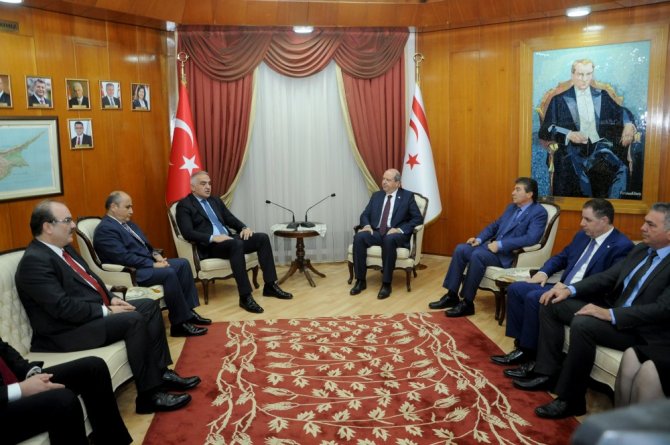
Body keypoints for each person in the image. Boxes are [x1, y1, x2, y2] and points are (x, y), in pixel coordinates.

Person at [16, 200, 200, 414]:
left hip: (86, 316)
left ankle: (161, 374)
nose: (73, 225)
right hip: (65, 332)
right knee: (132, 320)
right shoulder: (35, 262)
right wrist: (106, 310)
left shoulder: (64, 249)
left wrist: (111, 298)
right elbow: (62, 308)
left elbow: (92, 279)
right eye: (67, 220)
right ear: (48, 227)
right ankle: (149, 397)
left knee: (148, 306)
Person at [513, 203, 670, 420]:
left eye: (650, 225)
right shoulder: (642, 250)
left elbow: (663, 309)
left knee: (583, 323)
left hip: (644, 332)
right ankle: (547, 373)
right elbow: (608, 277)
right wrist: (569, 290)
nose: (642, 228)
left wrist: (611, 314)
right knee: (552, 302)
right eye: (644, 222)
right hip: (617, 316)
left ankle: (571, 400)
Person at [491, 199, 633, 377]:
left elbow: (607, 282)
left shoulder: (622, 246)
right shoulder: (582, 236)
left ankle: (532, 356)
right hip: (562, 287)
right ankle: (521, 347)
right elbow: (561, 257)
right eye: (582, 218)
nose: (581, 223)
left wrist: (570, 288)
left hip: (586, 296)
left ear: (604, 220)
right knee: (517, 289)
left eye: (587, 219)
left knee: (535, 298)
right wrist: (543, 272)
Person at [94, 191, 209, 337]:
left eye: (131, 206)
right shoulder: (106, 229)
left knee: (183, 264)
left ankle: (188, 313)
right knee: (168, 273)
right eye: (128, 207)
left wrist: (156, 255)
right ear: (113, 207)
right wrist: (152, 264)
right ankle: (179, 325)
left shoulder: (128, 224)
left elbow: (145, 246)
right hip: (132, 271)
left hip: (145, 264)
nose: (132, 211)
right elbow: (123, 257)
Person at [428, 177, 548, 317]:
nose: (513, 193)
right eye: (514, 189)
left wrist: (501, 245)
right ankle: (452, 295)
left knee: (477, 255)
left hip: (507, 256)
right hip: (491, 248)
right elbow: (495, 226)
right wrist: (479, 239)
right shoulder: (511, 208)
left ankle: (467, 303)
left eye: (517, 189)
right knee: (461, 249)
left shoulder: (538, 212)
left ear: (529, 194)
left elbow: (531, 238)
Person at [176, 171, 293, 314]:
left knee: (262, 238)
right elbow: (187, 232)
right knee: (236, 244)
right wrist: (213, 238)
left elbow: (230, 219)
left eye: (209, 183)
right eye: (203, 184)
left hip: (229, 239)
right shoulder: (185, 205)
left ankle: (270, 286)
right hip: (211, 246)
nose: (208, 187)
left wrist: (243, 228)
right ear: (193, 187)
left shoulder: (215, 201)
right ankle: (245, 296)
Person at [0, 338, 132, 445]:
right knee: (63, 401)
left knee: (93, 367)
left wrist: (31, 373)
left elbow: (3, 349)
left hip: (12, 384)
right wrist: (21, 389)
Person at [538, 59, 638, 198]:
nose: (584, 79)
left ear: (592, 74)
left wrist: (628, 124)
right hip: (572, 151)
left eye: (588, 74)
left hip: (600, 149)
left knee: (621, 169)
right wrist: (569, 134)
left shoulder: (602, 95)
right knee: (577, 176)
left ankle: (612, 206)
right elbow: (545, 130)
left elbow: (622, 112)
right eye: (580, 74)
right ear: (573, 75)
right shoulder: (559, 100)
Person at [350, 168, 423, 299]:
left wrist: (399, 230)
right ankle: (360, 281)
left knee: (389, 239)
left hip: (395, 233)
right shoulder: (376, 196)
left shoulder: (407, 197)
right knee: (359, 237)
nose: (384, 182)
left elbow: (417, 218)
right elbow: (365, 214)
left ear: (397, 183)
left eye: (388, 180)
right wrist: (367, 226)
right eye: (383, 179)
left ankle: (386, 283)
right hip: (377, 232)